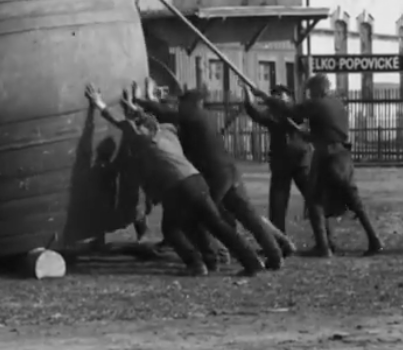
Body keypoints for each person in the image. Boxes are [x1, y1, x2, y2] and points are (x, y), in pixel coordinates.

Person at [84, 83, 264, 276]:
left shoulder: (143, 139)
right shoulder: (169, 131)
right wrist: (134, 108)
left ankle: (196, 264)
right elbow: (146, 120)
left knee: (172, 231)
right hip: (197, 181)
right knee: (215, 225)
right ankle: (247, 262)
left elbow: (120, 121)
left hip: (177, 188)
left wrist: (99, 104)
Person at [133, 80, 285, 270]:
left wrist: (140, 100)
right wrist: (150, 100)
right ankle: (274, 254)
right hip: (229, 170)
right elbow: (166, 119)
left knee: (204, 217)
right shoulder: (202, 117)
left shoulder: (194, 115)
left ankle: (217, 256)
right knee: (247, 216)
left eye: (183, 102)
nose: (180, 106)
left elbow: (167, 114)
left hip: (215, 175)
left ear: (192, 103)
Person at [255, 73, 382, 257]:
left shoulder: (317, 103)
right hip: (344, 156)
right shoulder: (337, 104)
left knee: (314, 201)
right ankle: (374, 239)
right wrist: (306, 135)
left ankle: (323, 247)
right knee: (355, 200)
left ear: (319, 89)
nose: (309, 94)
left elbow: (291, 110)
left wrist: (265, 98)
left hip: (327, 157)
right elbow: (329, 131)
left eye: (311, 90)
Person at [243, 84, 312, 235]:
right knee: (277, 204)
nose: (278, 97)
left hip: (301, 160)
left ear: (289, 97)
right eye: (275, 95)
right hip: (281, 162)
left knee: (312, 198)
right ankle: (279, 239)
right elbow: (255, 113)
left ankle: (325, 240)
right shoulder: (272, 114)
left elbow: (296, 115)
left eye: (282, 95)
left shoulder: (296, 110)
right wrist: (248, 96)